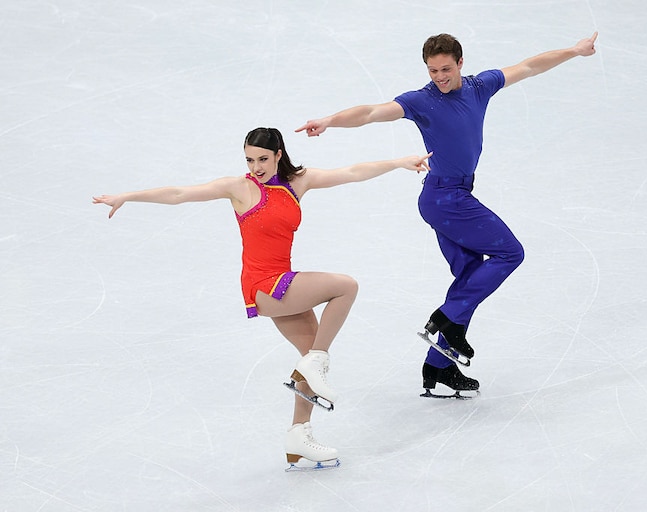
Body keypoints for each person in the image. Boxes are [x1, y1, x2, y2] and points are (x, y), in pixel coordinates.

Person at [93, 127, 430, 468]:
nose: (256, 167)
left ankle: (299, 438)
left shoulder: (299, 182)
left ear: (279, 154)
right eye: (250, 159)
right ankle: (317, 362)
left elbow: (353, 172)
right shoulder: (240, 188)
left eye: (263, 159)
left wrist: (400, 162)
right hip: (265, 286)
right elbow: (180, 193)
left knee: (308, 358)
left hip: (283, 282)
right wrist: (128, 195)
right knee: (346, 287)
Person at [296, 32, 598, 398]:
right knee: (510, 253)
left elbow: (530, 66)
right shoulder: (421, 101)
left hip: (453, 196)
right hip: (444, 198)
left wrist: (575, 50)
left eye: (445, 68)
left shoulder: (480, 86)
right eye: (432, 70)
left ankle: (437, 365)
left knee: (471, 274)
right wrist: (330, 120)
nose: (439, 76)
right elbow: (372, 112)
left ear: (460, 63)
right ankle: (446, 317)